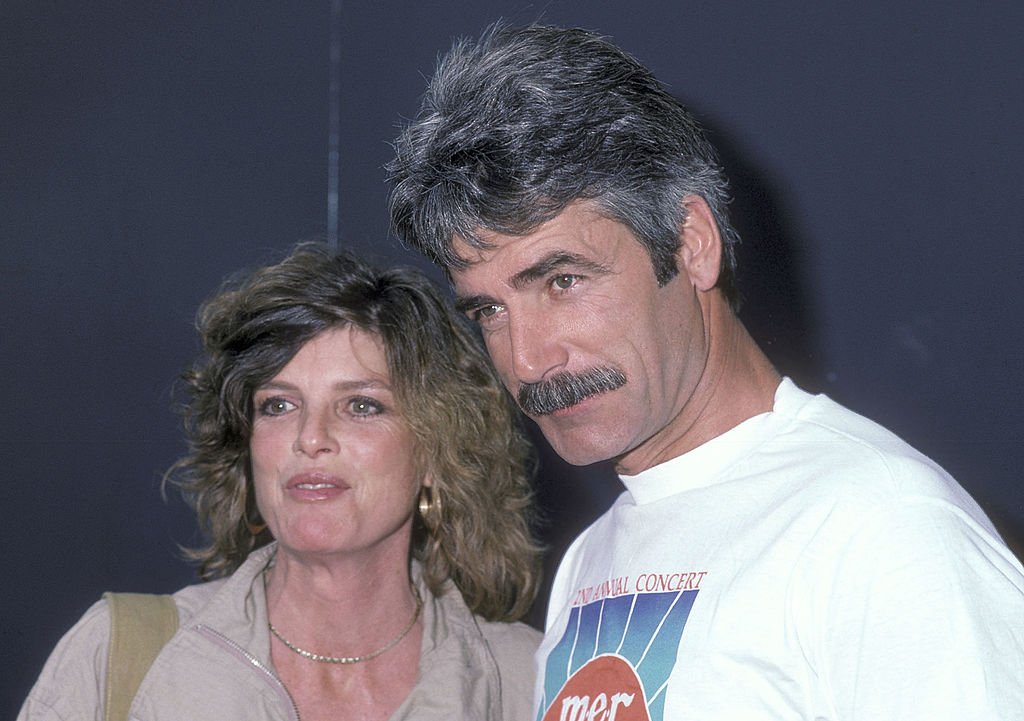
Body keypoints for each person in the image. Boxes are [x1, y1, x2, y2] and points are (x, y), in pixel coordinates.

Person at [387, 23, 1024, 721]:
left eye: (563, 280)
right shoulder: (590, 561)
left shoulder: (884, 531)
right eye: (489, 311)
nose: (528, 359)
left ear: (692, 245)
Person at [18, 243, 543, 721]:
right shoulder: (120, 656)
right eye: (279, 405)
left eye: (361, 406)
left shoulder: (530, 682)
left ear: (436, 452)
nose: (310, 437)